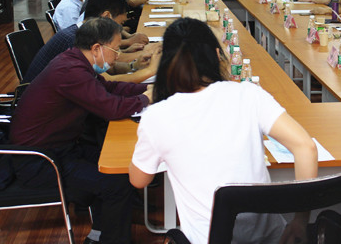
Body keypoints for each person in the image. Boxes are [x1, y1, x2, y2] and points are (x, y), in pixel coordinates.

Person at [129, 18, 318, 244]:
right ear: (217, 55)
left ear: (166, 64)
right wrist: (300, 220)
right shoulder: (249, 94)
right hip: (271, 238)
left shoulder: (157, 117)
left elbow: (138, 180)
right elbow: (306, 147)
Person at [10, 17, 153, 244]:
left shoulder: (76, 61)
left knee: (119, 168)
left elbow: (109, 87)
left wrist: (148, 88)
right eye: (115, 50)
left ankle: (98, 235)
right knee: (115, 183)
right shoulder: (70, 71)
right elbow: (111, 108)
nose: (117, 56)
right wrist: (145, 99)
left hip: (62, 148)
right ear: (97, 48)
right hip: (40, 161)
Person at [24, 0, 160, 83]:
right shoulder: (76, 41)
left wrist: (134, 66)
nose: (120, 29)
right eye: (120, 23)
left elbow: (107, 69)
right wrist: (149, 71)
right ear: (106, 17)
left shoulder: (84, 33)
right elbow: (107, 81)